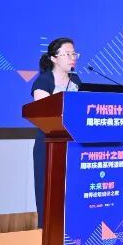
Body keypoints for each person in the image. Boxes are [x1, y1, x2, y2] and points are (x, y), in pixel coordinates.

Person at [30, 37, 82, 225]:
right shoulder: (43, 81)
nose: (72, 57)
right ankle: (47, 231)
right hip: (49, 144)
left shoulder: (76, 80)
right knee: (48, 191)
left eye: (74, 54)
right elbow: (44, 114)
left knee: (72, 192)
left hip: (73, 144)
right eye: (67, 54)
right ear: (54, 58)